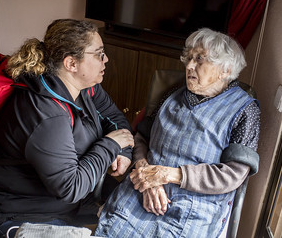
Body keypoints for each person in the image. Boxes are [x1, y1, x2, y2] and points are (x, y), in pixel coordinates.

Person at [0, 19, 134, 237]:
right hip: (19, 212)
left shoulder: (85, 87)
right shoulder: (46, 113)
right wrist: (111, 145)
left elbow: (114, 118)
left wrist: (123, 150)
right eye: (99, 54)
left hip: (61, 199)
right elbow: (71, 187)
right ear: (71, 64)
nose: (106, 59)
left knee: (136, 207)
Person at [95, 28, 260, 238]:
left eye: (200, 59)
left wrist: (169, 175)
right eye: (189, 58)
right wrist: (145, 174)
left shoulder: (245, 110)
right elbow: (141, 139)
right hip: (142, 189)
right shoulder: (172, 95)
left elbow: (233, 175)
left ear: (225, 69)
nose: (189, 66)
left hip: (195, 205)